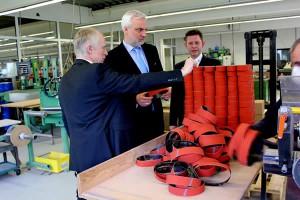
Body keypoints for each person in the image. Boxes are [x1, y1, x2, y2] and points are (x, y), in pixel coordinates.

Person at [58, 27, 195, 199]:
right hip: (105, 157)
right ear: (89, 49)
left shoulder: (65, 80)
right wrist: (181, 73)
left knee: (86, 195)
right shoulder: (97, 72)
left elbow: (67, 122)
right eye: (103, 47)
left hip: (82, 157)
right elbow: (136, 81)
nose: (106, 53)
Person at [231, 38, 300, 199]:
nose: (298, 70)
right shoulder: (292, 95)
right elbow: (269, 122)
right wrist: (251, 135)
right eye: (296, 64)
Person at [105, 10, 170, 146]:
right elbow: (112, 91)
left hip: (155, 118)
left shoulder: (151, 50)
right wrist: (134, 99)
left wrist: (165, 89)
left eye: (145, 29)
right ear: (126, 29)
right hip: (132, 122)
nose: (144, 34)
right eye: (139, 30)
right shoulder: (112, 57)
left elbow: (158, 77)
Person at [169, 29, 221, 130]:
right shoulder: (179, 67)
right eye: (190, 43)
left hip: (208, 116)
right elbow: (175, 96)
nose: (193, 46)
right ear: (186, 45)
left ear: (203, 44)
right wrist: (173, 122)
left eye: (197, 42)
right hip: (185, 116)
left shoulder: (214, 64)